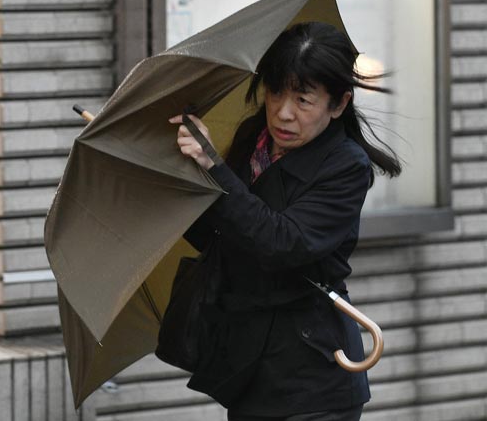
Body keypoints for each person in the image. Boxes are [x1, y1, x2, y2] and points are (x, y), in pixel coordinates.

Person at [168, 22, 401, 421]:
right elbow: (218, 236)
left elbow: (284, 243)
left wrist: (215, 169)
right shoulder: (252, 138)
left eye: (303, 99)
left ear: (339, 104)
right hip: (249, 367)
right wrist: (180, 172)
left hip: (313, 378)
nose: (283, 112)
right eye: (275, 92)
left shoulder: (346, 165)